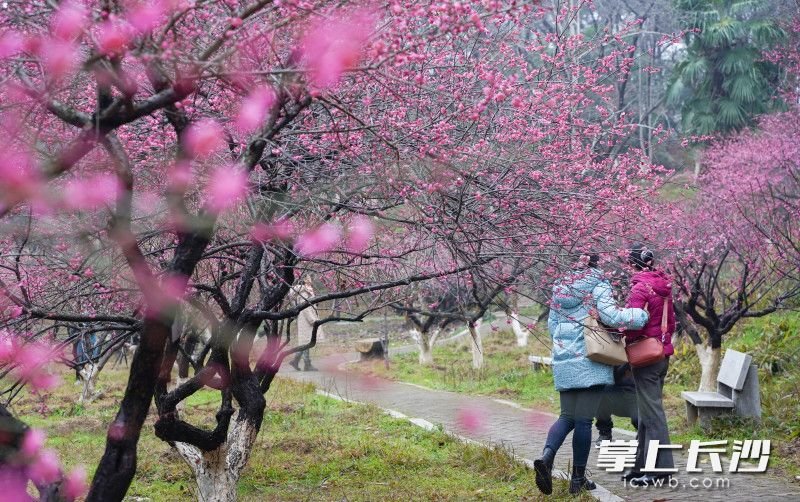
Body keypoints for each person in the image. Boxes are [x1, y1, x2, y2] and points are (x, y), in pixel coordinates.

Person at [535, 254, 649, 496]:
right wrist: (641, 316)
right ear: (594, 263)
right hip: (590, 361)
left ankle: (546, 457)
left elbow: (553, 327)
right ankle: (577, 479)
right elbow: (611, 317)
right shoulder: (598, 283)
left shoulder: (559, 287)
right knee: (584, 421)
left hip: (564, 360)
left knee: (567, 416)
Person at [622, 245, 676, 486]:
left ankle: (659, 470)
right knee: (646, 411)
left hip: (645, 357)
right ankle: (639, 466)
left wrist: (614, 324)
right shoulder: (663, 286)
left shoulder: (640, 288)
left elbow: (632, 322)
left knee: (652, 414)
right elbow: (671, 323)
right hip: (661, 354)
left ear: (632, 264)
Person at [594, 363, 639, 445]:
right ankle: (604, 433)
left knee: (637, 419)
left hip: (634, 392)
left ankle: (643, 432)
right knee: (599, 395)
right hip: (612, 391)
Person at [288, 277, 325, 372]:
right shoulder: (304, 291)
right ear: (304, 280)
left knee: (305, 342)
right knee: (306, 342)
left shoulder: (305, 290)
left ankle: (296, 361)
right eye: (308, 278)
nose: (310, 279)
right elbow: (305, 307)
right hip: (306, 320)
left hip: (305, 319)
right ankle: (306, 364)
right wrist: (313, 320)